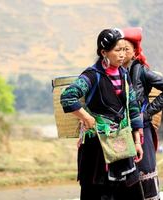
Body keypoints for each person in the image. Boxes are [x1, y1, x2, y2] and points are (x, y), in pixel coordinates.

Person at [60, 28, 145, 200]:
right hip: (97, 148)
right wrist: (86, 117)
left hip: (122, 144)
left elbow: (133, 107)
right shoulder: (92, 76)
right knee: (99, 192)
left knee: (129, 192)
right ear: (103, 52)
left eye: (123, 50)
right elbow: (68, 96)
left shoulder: (124, 74)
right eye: (117, 50)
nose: (122, 55)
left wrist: (137, 141)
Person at [122, 27, 163, 200]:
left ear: (135, 52)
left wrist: (146, 114)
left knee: (145, 172)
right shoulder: (113, 72)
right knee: (126, 176)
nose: (122, 53)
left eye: (127, 49)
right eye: (119, 49)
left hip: (141, 129)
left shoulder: (141, 70)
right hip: (122, 131)